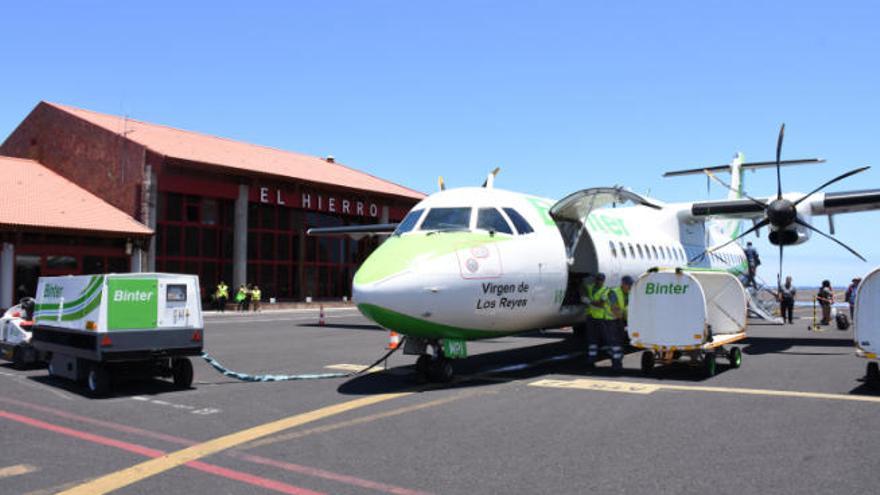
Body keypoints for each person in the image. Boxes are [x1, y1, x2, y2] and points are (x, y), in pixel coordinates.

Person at [606, 275, 634, 370]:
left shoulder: (628, 294)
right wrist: (624, 318)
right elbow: (614, 308)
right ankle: (616, 363)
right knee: (615, 344)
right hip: (611, 320)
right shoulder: (614, 293)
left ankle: (617, 360)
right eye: (628, 285)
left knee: (620, 342)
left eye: (631, 285)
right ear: (623, 284)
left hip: (619, 320)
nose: (630, 287)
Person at [582, 273, 610, 368]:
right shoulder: (590, 287)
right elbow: (582, 287)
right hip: (591, 317)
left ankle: (611, 354)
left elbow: (601, 304)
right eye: (597, 279)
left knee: (605, 337)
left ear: (603, 281)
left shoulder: (605, 291)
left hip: (601, 318)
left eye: (600, 280)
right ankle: (592, 358)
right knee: (591, 338)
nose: (598, 281)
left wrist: (589, 301)